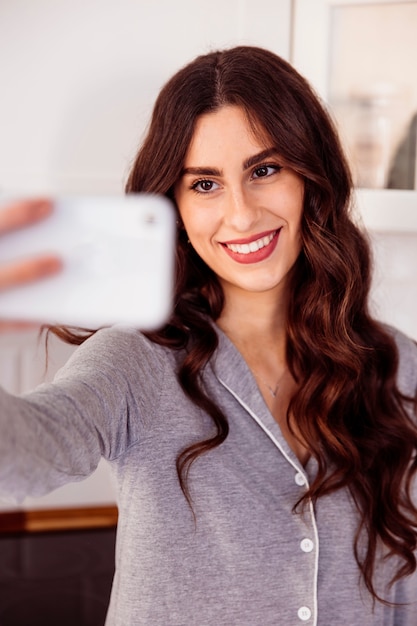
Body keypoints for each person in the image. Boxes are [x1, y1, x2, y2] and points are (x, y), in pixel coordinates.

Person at [0, 46, 416, 625]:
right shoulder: (134, 363)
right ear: (172, 204)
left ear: (310, 179)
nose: (240, 215)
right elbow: (24, 455)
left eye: (264, 170)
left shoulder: (397, 364)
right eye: (204, 184)